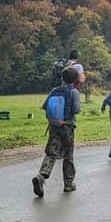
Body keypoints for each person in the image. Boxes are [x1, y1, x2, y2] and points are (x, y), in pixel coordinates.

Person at [32, 66, 81, 197]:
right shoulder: (74, 92)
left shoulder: (54, 90)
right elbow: (76, 110)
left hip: (54, 126)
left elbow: (44, 106)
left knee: (51, 153)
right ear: (75, 79)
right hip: (67, 126)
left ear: (62, 78)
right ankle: (68, 184)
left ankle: (41, 176)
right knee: (68, 155)